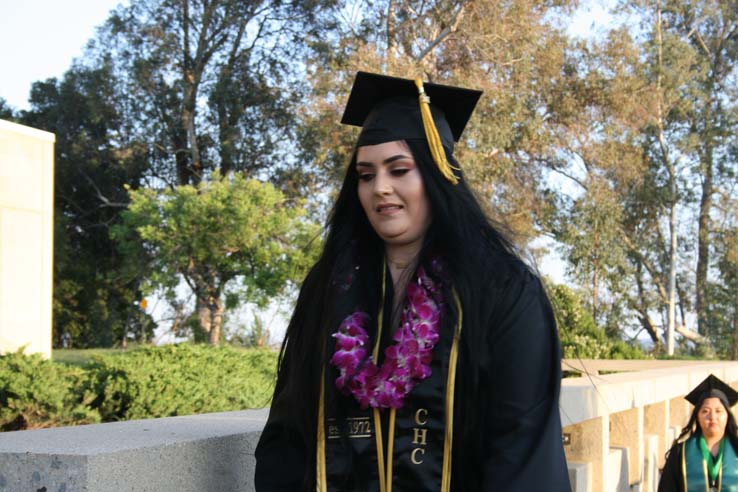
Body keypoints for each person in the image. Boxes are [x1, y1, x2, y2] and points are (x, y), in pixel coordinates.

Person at [254, 71, 571, 491]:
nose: (380, 188)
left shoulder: (500, 291)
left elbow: (521, 446)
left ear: (438, 174)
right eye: (366, 175)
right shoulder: (331, 291)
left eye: (399, 169)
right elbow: (288, 436)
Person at [658, 374, 738, 491]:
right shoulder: (680, 453)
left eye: (718, 411)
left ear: (727, 416)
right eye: (705, 411)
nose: (712, 417)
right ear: (697, 417)